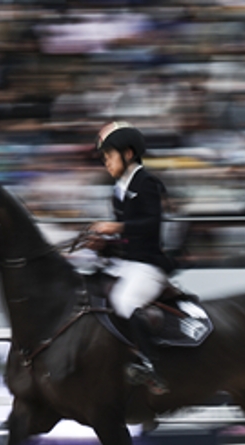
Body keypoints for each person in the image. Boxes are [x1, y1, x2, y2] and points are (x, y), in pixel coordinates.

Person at [91, 121, 176, 395]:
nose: (106, 162)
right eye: (103, 158)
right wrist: (102, 245)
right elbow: (124, 241)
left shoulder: (147, 183)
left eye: (109, 156)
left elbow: (151, 224)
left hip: (148, 266)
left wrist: (117, 228)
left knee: (124, 300)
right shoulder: (117, 192)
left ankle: (152, 366)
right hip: (125, 264)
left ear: (128, 154)